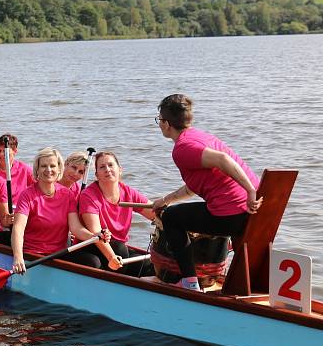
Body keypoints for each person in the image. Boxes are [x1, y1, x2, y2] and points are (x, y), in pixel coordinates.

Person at [151, 94, 262, 291]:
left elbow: (223, 160)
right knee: (173, 211)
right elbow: (194, 187)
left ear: (166, 123)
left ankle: (189, 283)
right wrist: (165, 200)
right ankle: (247, 282)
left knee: (171, 218)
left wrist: (250, 190)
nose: (159, 124)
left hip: (233, 215)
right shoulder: (202, 137)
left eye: (159, 120)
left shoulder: (182, 148)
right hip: (251, 211)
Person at [11, 148, 117, 274]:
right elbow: (18, 229)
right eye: (44, 166)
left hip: (59, 252)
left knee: (93, 262)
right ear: (37, 170)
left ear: (59, 169)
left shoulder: (67, 195)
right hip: (34, 255)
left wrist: (95, 236)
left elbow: (76, 228)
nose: (48, 170)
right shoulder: (27, 195)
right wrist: (18, 258)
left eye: (52, 166)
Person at [79, 151, 156, 275]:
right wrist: (111, 257)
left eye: (110, 165)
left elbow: (155, 213)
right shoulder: (88, 196)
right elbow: (96, 233)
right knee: (120, 249)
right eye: (102, 167)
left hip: (119, 249)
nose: (107, 169)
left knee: (149, 264)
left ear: (120, 170)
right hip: (93, 245)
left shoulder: (128, 192)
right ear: (97, 174)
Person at [0, 134, 35, 204]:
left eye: (4, 151)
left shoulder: (24, 170)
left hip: (19, 209)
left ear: (15, 151)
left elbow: (38, 188)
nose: (1, 154)